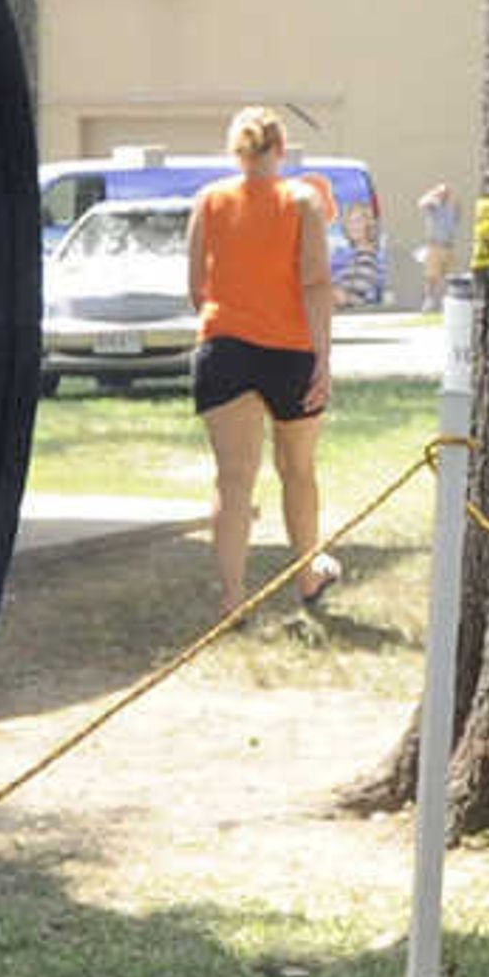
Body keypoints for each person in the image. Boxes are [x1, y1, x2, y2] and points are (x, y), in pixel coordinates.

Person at [186, 105, 338, 619]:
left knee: (233, 479)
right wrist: (323, 358)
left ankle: (232, 600)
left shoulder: (208, 200)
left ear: (237, 150)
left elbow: (195, 288)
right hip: (290, 349)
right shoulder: (302, 200)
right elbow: (316, 282)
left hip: (223, 348)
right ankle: (308, 576)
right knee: (297, 471)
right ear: (280, 149)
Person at [417, 180, 460, 312]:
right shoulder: (433, 207)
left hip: (449, 246)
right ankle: (429, 301)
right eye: (442, 193)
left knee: (451, 276)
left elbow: (456, 219)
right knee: (431, 276)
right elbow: (421, 203)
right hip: (435, 246)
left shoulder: (451, 208)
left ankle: (449, 301)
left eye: (446, 193)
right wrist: (434, 193)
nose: (444, 196)